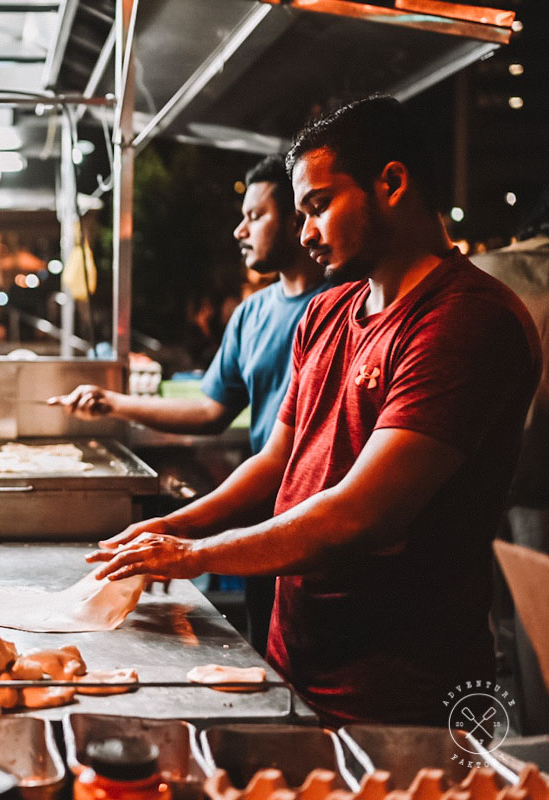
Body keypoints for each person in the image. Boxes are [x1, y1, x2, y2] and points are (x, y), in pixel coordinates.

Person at [87, 96, 540, 725]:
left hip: (400, 689)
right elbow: (278, 460)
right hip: (293, 658)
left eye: (319, 206)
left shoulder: (465, 320)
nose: (305, 233)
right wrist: (176, 528)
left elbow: (363, 516)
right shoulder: (327, 313)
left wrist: (196, 556)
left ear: (392, 183)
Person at [53, 154, 326, 654]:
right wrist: (115, 404)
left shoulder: (342, 305)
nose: (240, 231)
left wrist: (186, 538)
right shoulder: (255, 312)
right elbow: (209, 410)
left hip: (322, 526)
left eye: (255, 216)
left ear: (297, 220)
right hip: (261, 517)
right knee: (273, 654)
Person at [472, 190, 549, 734]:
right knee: (537, 612)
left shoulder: (488, 269)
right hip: (538, 474)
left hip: (478, 465)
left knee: (503, 610)